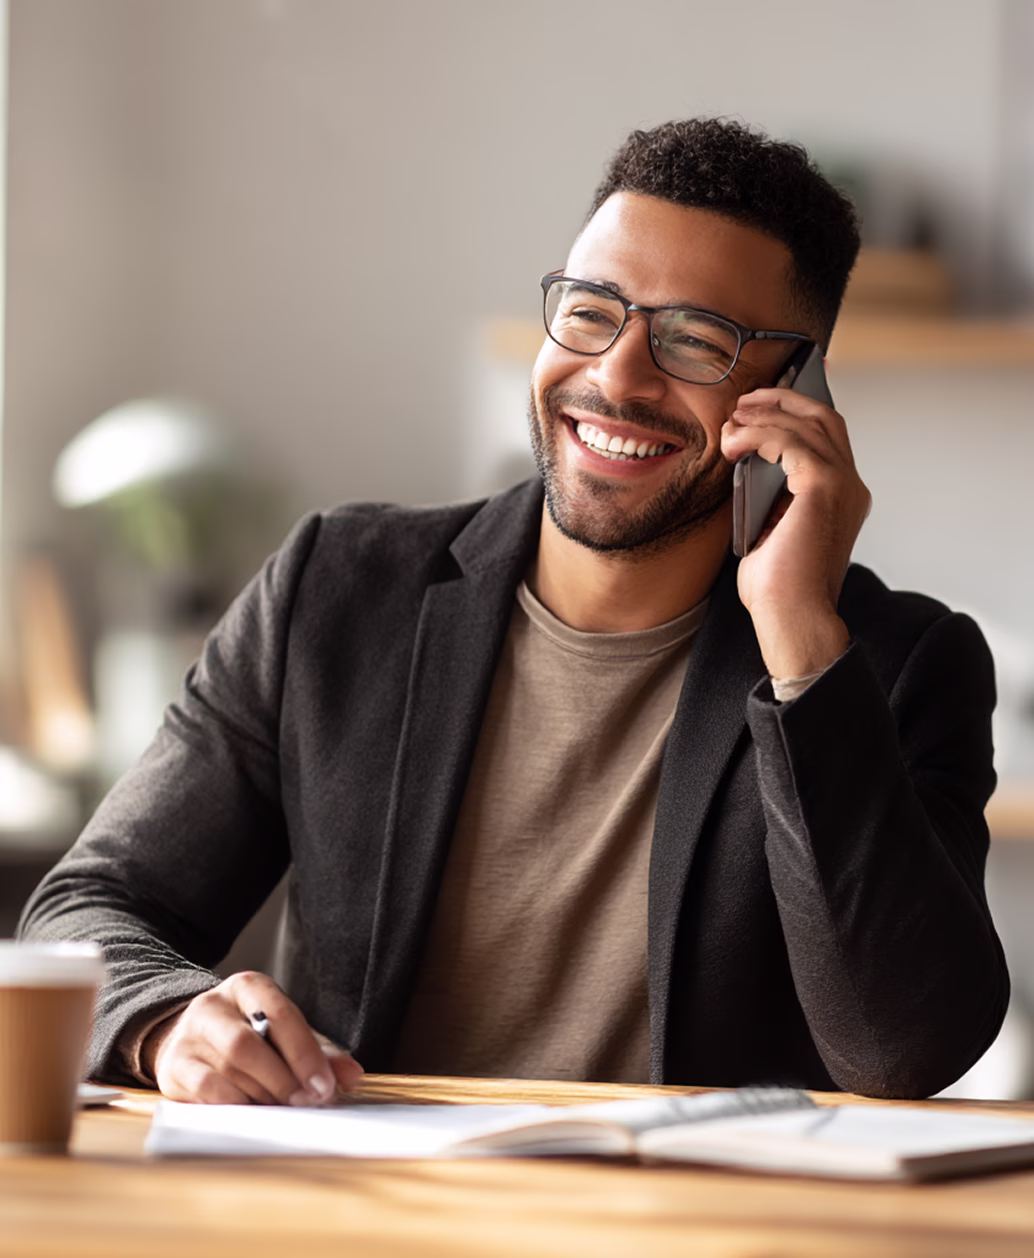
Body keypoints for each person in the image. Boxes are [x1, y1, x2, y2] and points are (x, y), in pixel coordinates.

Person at [20, 118, 1007, 1106]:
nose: (617, 375)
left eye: (694, 341)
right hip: (359, 1214)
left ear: (795, 392)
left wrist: (794, 633)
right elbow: (87, 907)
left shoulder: (889, 667)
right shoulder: (336, 589)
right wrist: (166, 1020)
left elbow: (899, 1051)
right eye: (589, 312)